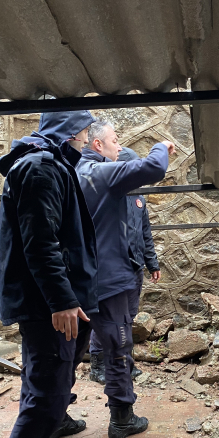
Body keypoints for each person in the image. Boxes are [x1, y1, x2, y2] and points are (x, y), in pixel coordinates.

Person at [0, 110, 97, 438]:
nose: (88, 138)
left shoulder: (49, 164)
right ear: (71, 130)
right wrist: (62, 300)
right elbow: (40, 241)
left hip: (59, 302)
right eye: (85, 130)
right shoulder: (41, 167)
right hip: (51, 306)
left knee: (48, 388)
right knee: (48, 394)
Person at [76, 121, 174, 438]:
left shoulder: (72, 174)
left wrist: (149, 262)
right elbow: (154, 167)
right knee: (119, 346)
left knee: (69, 350)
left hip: (80, 280)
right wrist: (161, 146)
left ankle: (54, 415)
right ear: (97, 145)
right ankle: (121, 418)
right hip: (109, 279)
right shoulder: (101, 174)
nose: (118, 147)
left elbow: (141, 232)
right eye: (115, 141)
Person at [89, 147, 161, 385]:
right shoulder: (109, 197)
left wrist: (152, 264)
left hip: (134, 267)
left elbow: (145, 234)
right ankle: (98, 364)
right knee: (106, 317)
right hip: (113, 268)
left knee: (128, 317)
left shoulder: (139, 200)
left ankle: (124, 363)